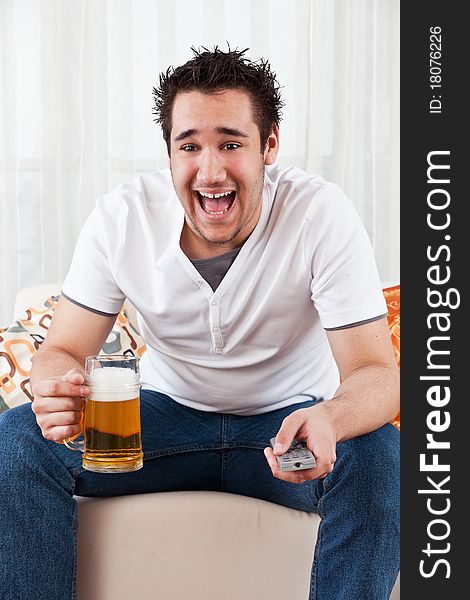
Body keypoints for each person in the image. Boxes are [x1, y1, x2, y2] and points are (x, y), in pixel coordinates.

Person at [0, 47, 399, 599]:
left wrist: (330, 418)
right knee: (17, 439)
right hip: (161, 421)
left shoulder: (320, 214)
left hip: (288, 425)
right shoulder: (123, 218)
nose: (211, 171)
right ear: (169, 153)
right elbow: (63, 348)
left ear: (270, 146)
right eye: (190, 146)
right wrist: (55, 385)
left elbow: (376, 372)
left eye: (231, 144)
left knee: (380, 454)